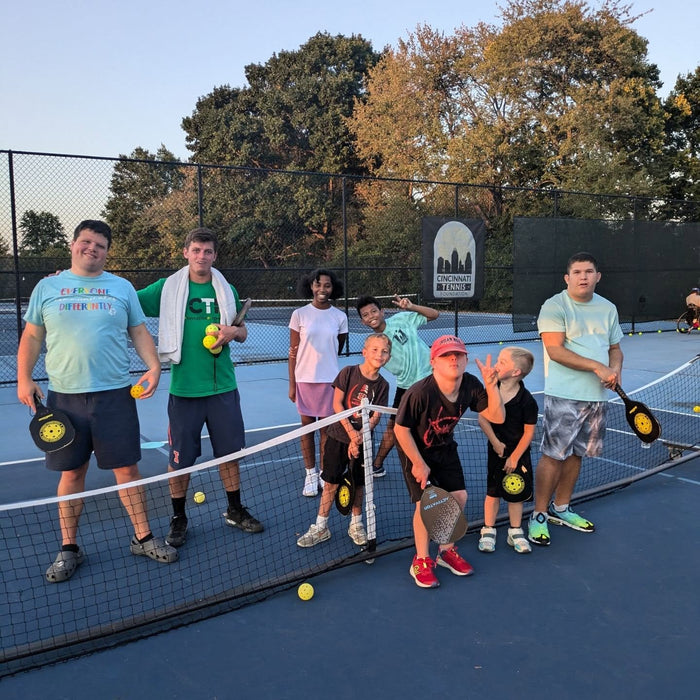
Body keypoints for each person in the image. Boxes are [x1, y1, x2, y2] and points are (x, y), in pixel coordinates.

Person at [17, 219, 177, 583]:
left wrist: (153, 367)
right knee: (72, 473)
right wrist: (25, 378)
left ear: (107, 252)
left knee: (127, 471)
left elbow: (138, 331)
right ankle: (69, 548)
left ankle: (143, 537)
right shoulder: (48, 287)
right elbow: (32, 335)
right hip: (64, 401)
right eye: (86, 242)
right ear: (73, 245)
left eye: (100, 245)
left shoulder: (122, 288)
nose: (92, 249)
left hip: (115, 397)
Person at [137, 227, 262, 548]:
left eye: (207, 251)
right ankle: (178, 517)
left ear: (215, 255)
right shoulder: (167, 288)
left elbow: (242, 330)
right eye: (196, 250)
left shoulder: (226, 289)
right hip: (184, 390)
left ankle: (234, 509)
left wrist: (233, 333)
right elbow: (128, 303)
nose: (201, 256)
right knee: (180, 459)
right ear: (185, 252)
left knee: (229, 455)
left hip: (223, 388)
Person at [393, 335, 505, 589]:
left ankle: (446, 550)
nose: (453, 358)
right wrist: (418, 463)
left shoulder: (472, 385)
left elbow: (496, 417)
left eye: (458, 354)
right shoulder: (420, 392)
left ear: (466, 360)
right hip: (415, 449)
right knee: (427, 503)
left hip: (444, 446)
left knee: (459, 497)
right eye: (445, 355)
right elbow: (400, 430)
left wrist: (492, 387)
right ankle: (420, 560)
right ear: (433, 362)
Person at [528, 252, 623, 547]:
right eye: (578, 272)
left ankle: (562, 508)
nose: (583, 276)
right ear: (567, 278)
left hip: (597, 397)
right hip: (564, 394)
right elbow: (555, 350)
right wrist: (597, 366)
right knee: (554, 454)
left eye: (589, 271)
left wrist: (615, 370)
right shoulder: (555, 306)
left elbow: (615, 349)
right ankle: (539, 514)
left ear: (598, 276)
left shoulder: (608, 308)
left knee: (577, 454)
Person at [297, 333, 391, 548]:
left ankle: (356, 525)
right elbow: (338, 406)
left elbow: (376, 416)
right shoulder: (348, 372)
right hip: (337, 437)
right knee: (330, 483)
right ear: (364, 352)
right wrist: (351, 435)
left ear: (389, 357)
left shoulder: (383, 385)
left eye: (384, 351)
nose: (380, 354)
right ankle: (321, 527)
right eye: (375, 350)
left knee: (358, 485)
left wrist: (359, 440)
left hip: (364, 442)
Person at [356, 294, 439, 477]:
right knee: (394, 427)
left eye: (374, 311)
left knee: (433, 426)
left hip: (430, 379)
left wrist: (412, 307)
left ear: (382, 311)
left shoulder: (402, 319)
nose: (371, 316)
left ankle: (432, 467)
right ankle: (376, 465)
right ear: (362, 322)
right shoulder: (374, 345)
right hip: (405, 386)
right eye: (366, 315)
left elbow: (434, 314)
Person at [288, 269, 348, 497]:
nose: (322, 289)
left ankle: (324, 473)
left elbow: (338, 347)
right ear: (310, 287)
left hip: (329, 383)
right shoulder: (299, 314)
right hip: (304, 380)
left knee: (326, 431)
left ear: (334, 289)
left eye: (327, 286)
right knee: (307, 430)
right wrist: (292, 384)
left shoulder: (340, 317)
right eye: (318, 285)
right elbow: (293, 353)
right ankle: (310, 475)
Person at [477, 347, 538, 555]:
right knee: (492, 491)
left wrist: (514, 457)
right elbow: (482, 418)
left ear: (516, 373)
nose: (496, 364)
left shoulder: (527, 401)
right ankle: (488, 529)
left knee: (516, 494)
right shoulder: (490, 392)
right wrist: (495, 442)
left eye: (502, 362)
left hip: (518, 455)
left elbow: (529, 433)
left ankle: (515, 531)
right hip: (497, 451)